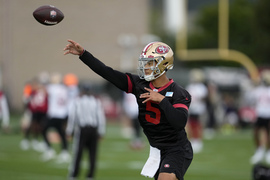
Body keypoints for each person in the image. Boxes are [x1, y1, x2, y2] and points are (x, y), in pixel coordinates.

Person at [64, 40, 193, 180]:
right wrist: (84, 54)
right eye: (145, 62)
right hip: (156, 149)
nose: (146, 67)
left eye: (150, 63)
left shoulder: (178, 92)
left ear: (163, 64)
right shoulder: (140, 84)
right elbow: (107, 72)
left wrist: (161, 100)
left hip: (176, 148)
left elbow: (180, 122)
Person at [66, 83, 106, 180]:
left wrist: (69, 131)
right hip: (93, 129)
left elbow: (73, 117)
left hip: (82, 130)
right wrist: (101, 131)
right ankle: (90, 175)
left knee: (78, 153)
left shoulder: (77, 101)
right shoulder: (96, 101)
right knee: (92, 154)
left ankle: (74, 174)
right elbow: (100, 117)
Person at [41, 72, 70, 162]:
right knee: (62, 134)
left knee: (43, 130)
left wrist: (43, 79)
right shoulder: (64, 89)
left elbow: (43, 91)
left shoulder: (51, 88)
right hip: (63, 114)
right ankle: (64, 152)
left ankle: (49, 150)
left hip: (53, 114)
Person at [250, 70, 270, 164]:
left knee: (268, 134)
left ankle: (268, 152)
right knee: (256, 133)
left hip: (268, 114)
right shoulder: (258, 90)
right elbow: (252, 100)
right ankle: (259, 150)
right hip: (260, 114)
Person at [186, 69, 208, 153]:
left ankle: (198, 140)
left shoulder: (201, 87)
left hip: (199, 108)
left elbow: (204, 97)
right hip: (191, 107)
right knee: (191, 124)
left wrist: (197, 99)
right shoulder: (190, 86)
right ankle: (192, 139)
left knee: (197, 124)